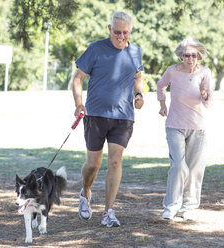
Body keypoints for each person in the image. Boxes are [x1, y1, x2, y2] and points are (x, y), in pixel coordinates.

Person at [72, 11, 144, 227]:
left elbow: (138, 76)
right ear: (109, 29)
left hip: (123, 117)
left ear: (130, 31)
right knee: (93, 165)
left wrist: (139, 94)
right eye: (117, 32)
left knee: (115, 161)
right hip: (95, 114)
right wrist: (78, 104)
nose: (121, 37)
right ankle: (85, 194)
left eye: (125, 33)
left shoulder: (136, 52)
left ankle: (108, 212)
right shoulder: (96, 48)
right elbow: (77, 79)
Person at [157, 37, 213, 221]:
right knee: (178, 166)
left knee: (195, 167)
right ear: (181, 56)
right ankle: (171, 206)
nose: (190, 59)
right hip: (174, 125)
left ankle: (188, 206)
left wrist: (205, 94)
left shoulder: (204, 73)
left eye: (194, 56)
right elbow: (161, 85)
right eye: (186, 55)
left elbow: (208, 102)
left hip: (198, 126)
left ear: (199, 56)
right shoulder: (172, 71)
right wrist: (162, 104)